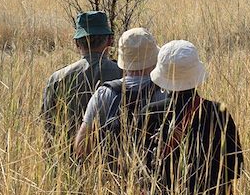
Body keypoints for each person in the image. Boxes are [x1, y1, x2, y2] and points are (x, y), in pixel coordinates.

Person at [143, 40, 244, 195]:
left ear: (162, 76)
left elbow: (144, 169)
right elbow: (236, 168)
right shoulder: (218, 113)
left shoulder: (150, 114)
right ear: (196, 75)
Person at [73, 27, 164, 160]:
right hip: (158, 176)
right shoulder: (166, 92)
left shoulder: (103, 94)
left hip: (112, 175)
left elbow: (81, 146)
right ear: (154, 57)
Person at [41, 11, 121, 149]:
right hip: (113, 158)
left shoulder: (57, 78)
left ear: (77, 43)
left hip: (68, 157)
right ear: (110, 41)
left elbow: (48, 127)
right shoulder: (123, 74)